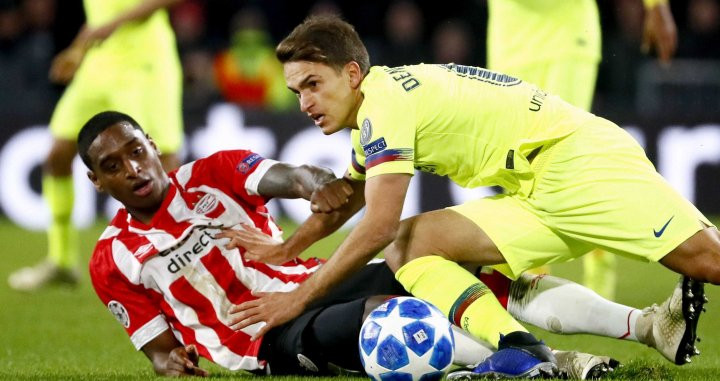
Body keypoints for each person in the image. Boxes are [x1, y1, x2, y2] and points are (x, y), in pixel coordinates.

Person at [226, 14, 719, 378]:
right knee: (411, 244)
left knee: (707, 261)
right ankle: (522, 347)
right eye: (296, 92)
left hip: (576, 162)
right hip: (532, 191)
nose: (305, 102)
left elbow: (373, 225)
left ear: (352, 73)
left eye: (313, 84)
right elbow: (352, 197)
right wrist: (286, 250)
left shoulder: (385, 106)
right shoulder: (375, 112)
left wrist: (295, 300)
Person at [83, 111, 700, 379]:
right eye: (113, 164)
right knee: (390, 321)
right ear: (97, 180)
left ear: (152, 144)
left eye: (136, 149)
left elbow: (284, 177)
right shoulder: (112, 259)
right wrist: (175, 365)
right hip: (265, 341)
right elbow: (159, 352)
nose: (133, 167)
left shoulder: (211, 174)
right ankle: (539, 365)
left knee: (451, 269)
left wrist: (314, 182)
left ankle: (649, 327)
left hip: (309, 287)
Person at [486, 0, 678, 300]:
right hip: (510, 46)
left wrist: (656, 5)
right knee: (515, 170)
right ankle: (530, 285)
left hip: (567, 39)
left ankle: (599, 271)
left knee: (562, 161)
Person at [8, 0, 185, 291]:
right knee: (58, 154)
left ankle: (180, 257)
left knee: (161, 160)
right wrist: (78, 49)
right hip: (99, 66)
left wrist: (113, 25)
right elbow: (101, 15)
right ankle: (62, 261)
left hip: (144, 65)